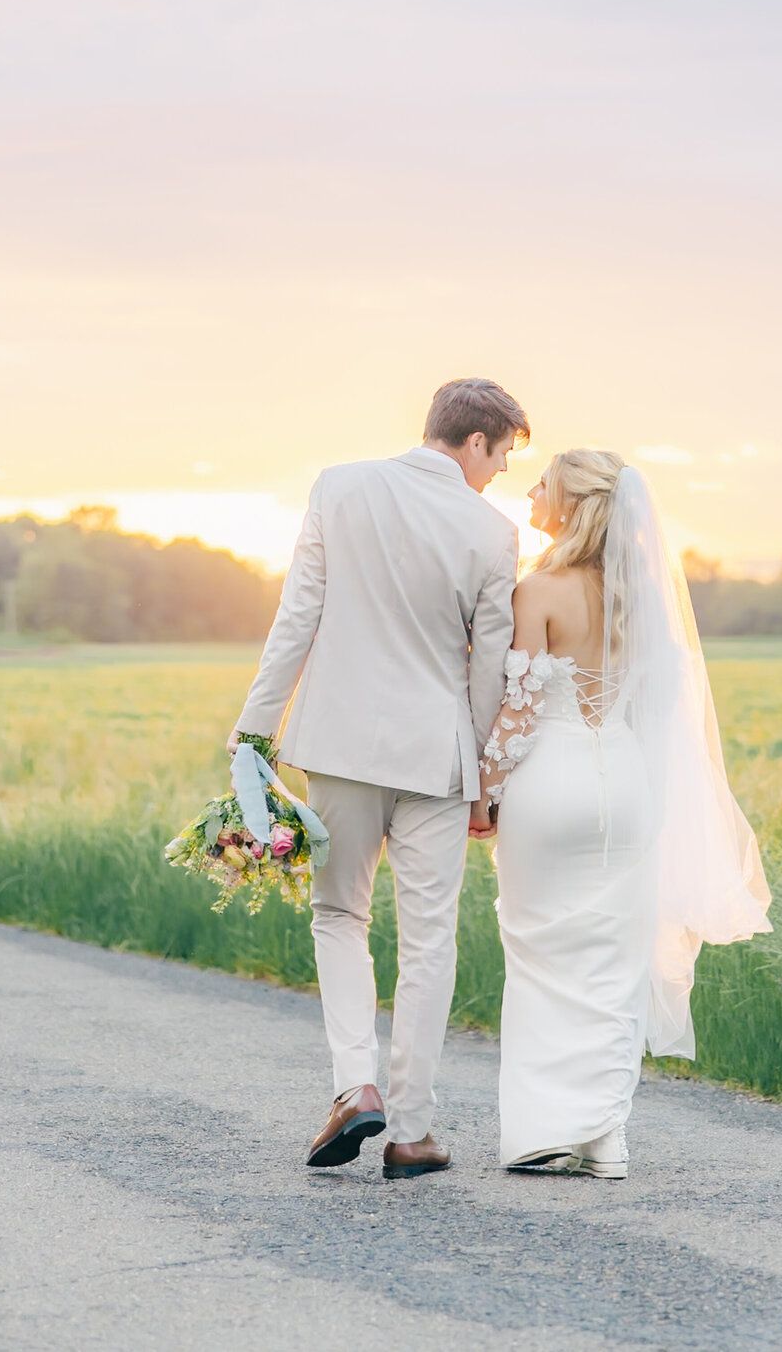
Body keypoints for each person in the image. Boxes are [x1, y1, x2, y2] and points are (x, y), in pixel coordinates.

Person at [229, 378, 528, 1178]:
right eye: (502, 456)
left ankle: (354, 1085)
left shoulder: (341, 486)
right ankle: (413, 1132)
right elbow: (490, 672)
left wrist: (255, 730)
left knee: (340, 915)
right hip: (436, 757)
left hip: (341, 745)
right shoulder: (494, 535)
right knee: (429, 941)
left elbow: (298, 614)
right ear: (476, 441)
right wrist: (479, 780)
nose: (499, 473)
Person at [480, 450, 772, 1179]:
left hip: (551, 785)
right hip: (628, 788)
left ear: (571, 502)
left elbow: (517, 717)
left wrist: (481, 793)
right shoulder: (640, 600)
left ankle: (543, 1131)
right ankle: (606, 1138)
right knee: (615, 963)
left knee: (540, 956)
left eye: (542, 482)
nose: (530, 491)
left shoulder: (537, 590)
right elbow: (658, 711)